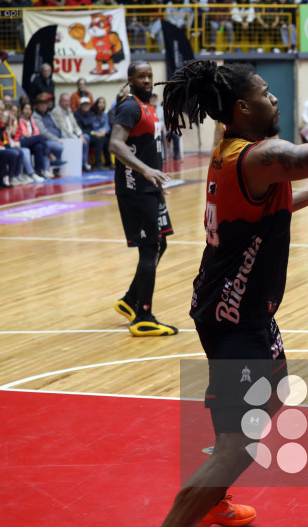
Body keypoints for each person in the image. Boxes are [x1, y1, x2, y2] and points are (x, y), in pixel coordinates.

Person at [145, 11, 308, 527]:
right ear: (242, 109)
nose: (276, 100)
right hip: (234, 311)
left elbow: (261, 209)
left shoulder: (232, 149)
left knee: (271, 396)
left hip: (232, 304)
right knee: (238, 444)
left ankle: (213, 497)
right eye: (266, 93)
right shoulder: (260, 155)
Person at [109, 61, 177, 337]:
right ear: (131, 79)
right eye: (142, 76)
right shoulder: (130, 106)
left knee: (160, 245)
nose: (147, 80)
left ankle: (129, 300)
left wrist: (155, 178)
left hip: (149, 187)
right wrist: (146, 170)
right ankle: (143, 317)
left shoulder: (149, 107)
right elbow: (115, 144)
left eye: (150, 75)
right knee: (150, 248)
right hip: (135, 187)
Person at [89, 97, 111, 169]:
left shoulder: (104, 114)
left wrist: (104, 130)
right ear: (96, 104)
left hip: (101, 134)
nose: (101, 104)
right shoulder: (92, 113)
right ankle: (97, 165)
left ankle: (109, 163)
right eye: (100, 102)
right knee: (100, 140)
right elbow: (92, 127)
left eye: (103, 103)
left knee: (106, 141)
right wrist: (99, 132)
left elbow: (106, 125)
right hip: (92, 133)